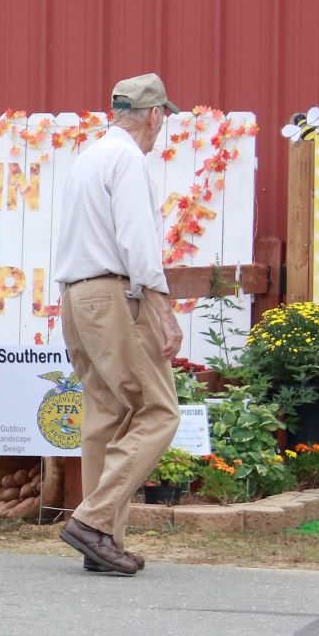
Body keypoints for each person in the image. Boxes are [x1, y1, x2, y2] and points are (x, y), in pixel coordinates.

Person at [54, 72, 185, 575]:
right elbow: (137, 240)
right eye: (163, 118)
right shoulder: (128, 160)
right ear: (153, 115)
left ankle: (102, 540)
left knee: (105, 415)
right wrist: (164, 311)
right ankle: (94, 522)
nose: (161, 128)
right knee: (159, 411)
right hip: (114, 295)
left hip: (76, 296)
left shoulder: (88, 157)